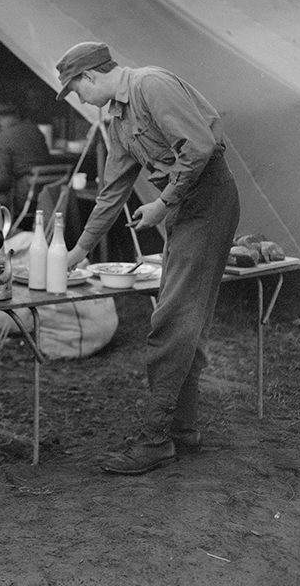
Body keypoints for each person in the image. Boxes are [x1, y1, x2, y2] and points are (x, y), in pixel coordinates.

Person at [55, 41, 240, 475]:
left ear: (91, 77)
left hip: (208, 202)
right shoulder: (117, 120)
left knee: (171, 322)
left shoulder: (150, 85)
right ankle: (182, 433)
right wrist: (78, 250)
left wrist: (163, 203)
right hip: (185, 211)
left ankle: (156, 440)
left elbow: (199, 148)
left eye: (76, 89)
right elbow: (113, 190)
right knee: (184, 321)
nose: (79, 98)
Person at [0, 98, 51, 216]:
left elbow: (1, 181)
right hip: (47, 196)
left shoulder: (2, 139)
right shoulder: (35, 131)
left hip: (20, 199)